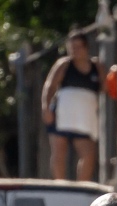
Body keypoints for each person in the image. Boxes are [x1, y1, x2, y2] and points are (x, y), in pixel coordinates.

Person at [42, 29, 107, 181]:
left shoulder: (96, 66)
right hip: (63, 115)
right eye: (72, 47)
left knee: (88, 155)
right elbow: (50, 86)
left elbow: (104, 88)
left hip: (85, 118)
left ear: (86, 47)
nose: (74, 50)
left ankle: (81, 185)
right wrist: (45, 108)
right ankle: (60, 184)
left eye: (78, 46)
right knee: (59, 152)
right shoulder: (64, 65)